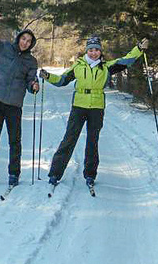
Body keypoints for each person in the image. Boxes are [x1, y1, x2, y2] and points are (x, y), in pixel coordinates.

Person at [39, 35, 149, 189]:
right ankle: (55, 174)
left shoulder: (106, 67)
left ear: (100, 51)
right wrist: (48, 76)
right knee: (69, 139)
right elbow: (62, 81)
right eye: (91, 50)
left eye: (97, 50)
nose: (94, 53)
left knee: (93, 141)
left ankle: (90, 174)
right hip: (79, 106)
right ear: (86, 51)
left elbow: (125, 61)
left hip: (97, 108)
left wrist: (139, 49)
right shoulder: (78, 65)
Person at [0, 12, 40, 188]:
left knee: (15, 141)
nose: (25, 43)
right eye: (24, 39)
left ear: (31, 44)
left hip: (14, 105)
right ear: (19, 38)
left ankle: (14, 173)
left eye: (29, 41)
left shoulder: (31, 61)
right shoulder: (3, 48)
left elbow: (30, 80)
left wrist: (34, 86)